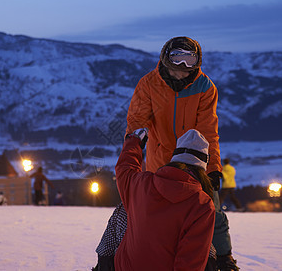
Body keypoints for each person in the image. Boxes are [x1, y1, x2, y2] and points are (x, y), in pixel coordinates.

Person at [95, 37, 239, 271]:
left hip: (193, 164)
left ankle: (222, 259)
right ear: (165, 57)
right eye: (177, 59)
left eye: (188, 60)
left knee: (211, 212)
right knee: (141, 216)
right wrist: (134, 142)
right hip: (159, 164)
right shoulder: (149, 84)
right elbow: (137, 121)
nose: (182, 67)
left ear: (197, 62)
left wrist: (212, 170)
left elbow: (208, 131)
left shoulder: (205, 88)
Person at [116, 128, 216, 270]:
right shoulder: (202, 205)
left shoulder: (142, 183)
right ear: (203, 166)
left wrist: (134, 141)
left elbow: (124, 168)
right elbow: (190, 263)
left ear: (175, 157)